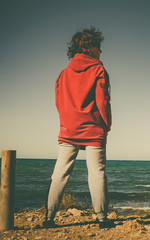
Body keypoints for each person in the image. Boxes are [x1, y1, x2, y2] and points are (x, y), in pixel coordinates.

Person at [44, 27, 113, 229]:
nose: (101, 51)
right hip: (93, 129)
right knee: (97, 172)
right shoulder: (99, 69)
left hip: (68, 129)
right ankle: (102, 218)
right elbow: (103, 102)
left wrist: (67, 121)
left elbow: (58, 102)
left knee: (60, 173)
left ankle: (49, 218)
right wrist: (107, 125)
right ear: (91, 48)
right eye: (98, 46)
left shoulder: (63, 74)